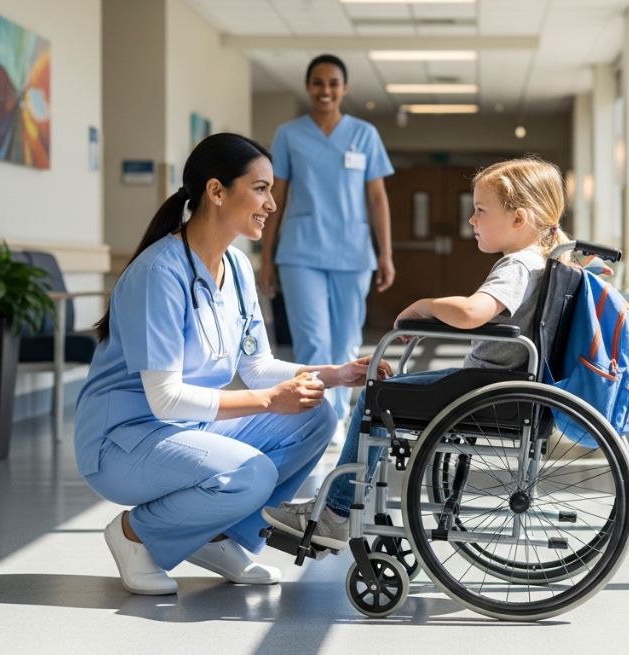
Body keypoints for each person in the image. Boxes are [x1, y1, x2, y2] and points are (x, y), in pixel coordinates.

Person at [74, 133, 392, 595]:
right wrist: (268, 401)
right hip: (122, 440)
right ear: (216, 191)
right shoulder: (159, 273)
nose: (272, 204)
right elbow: (165, 400)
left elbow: (259, 365)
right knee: (252, 473)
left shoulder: (237, 267)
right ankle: (135, 536)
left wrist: (338, 374)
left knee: (316, 413)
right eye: (260, 189)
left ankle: (223, 536)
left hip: (186, 428)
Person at [262, 157, 571, 549]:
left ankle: (336, 513)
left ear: (519, 219)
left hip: (485, 389)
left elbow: (474, 312)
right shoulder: (547, 260)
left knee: (377, 396)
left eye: (480, 210)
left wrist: (425, 304)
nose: (472, 220)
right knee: (391, 388)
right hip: (502, 387)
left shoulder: (517, 265)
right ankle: (342, 507)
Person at [259, 53, 395, 421]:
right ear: (308, 87)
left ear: (344, 88)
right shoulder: (289, 134)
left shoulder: (364, 134)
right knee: (313, 342)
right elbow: (278, 197)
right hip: (301, 251)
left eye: (333, 83)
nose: (325, 90)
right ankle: (321, 420)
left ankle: (337, 413)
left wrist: (386, 254)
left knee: (346, 341)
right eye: (318, 83)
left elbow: (377, 197)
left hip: (353, 252)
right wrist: (266, 258)